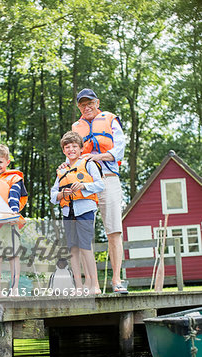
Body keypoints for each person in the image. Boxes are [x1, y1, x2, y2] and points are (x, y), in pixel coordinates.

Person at [72, 88, 128, 294]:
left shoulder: (111, 120)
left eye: (90, 103)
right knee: (86, 233)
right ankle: (92, 284)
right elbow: (71, 153)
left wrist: (100, 157)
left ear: (97, 102)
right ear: (79, 106)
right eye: (82, 104)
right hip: (85, 184)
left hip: (109, 179)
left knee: (114, 231)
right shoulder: (76, 127)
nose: (87, 107)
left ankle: (116, 280)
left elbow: (120, 147)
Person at [51, 131, 104, 295]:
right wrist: (61, 195)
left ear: (81, 149)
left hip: (85, 209)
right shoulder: (62, 170)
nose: (71, 149)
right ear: (64, 150)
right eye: (67, 147)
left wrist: (84, 186)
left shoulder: (88, 164)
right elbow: (53, 195)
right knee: (73, 249)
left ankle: (95, 285)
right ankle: (78, 286)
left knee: (86, 246)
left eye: (74, 146)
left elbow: (100, 185)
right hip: (68, 212)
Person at [0, 143, 28, 295]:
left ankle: (14, 289)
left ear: (7, 162)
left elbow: (15, 198)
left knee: (13, 255)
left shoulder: (14, 178)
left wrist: (13, 215)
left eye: (0, 162)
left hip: (11, 221)